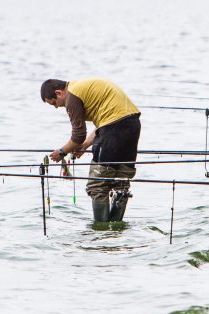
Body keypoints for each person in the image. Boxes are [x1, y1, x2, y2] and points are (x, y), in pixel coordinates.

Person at [41, 78, 141, 223]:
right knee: (121, 182)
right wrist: (86, 144)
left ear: (59, 92)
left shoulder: (71, 96)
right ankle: (115, 231)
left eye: (54, 103)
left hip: (113, 129)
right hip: (132, 125)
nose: (57, 107)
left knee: (97, 185)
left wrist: (62, 152)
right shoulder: (82, 87)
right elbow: (107, 121)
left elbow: (78, 135)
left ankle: (101, 229)